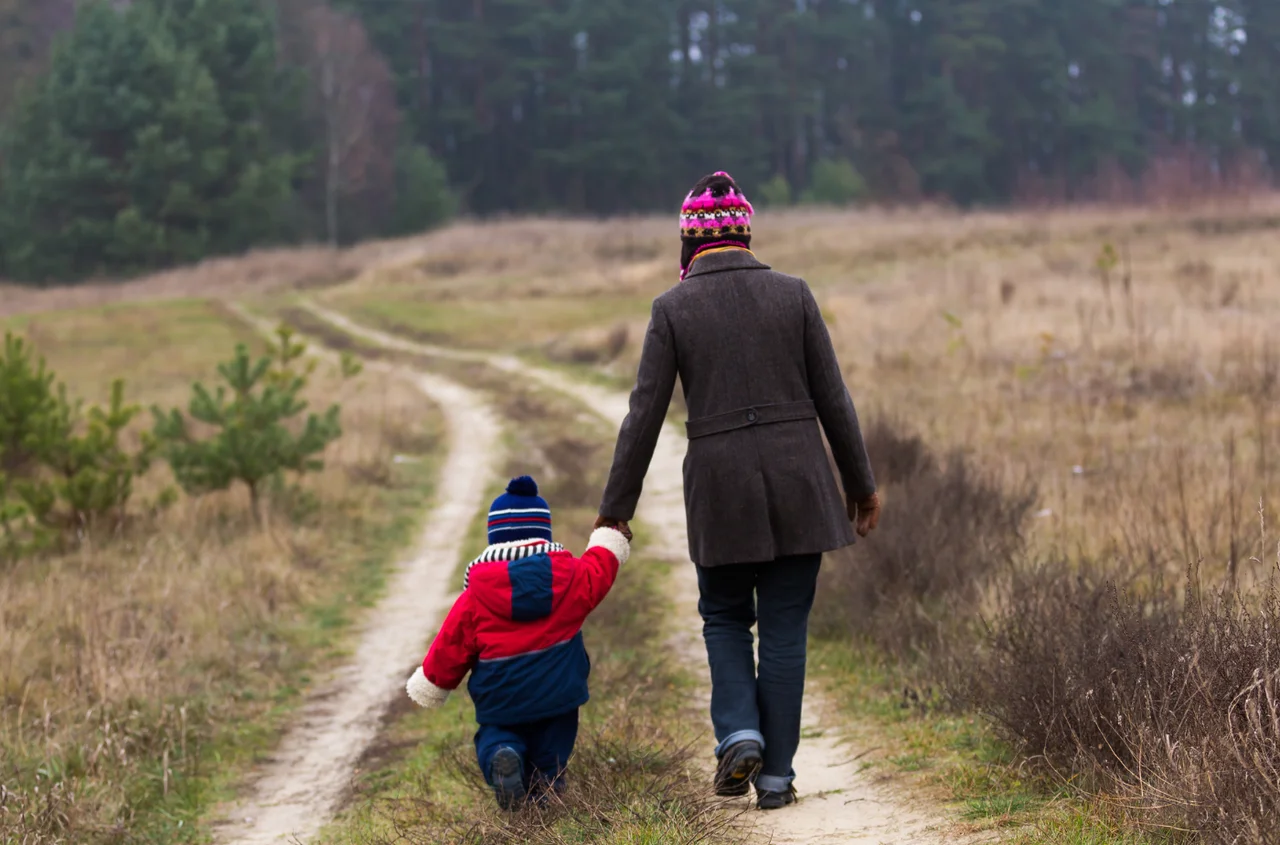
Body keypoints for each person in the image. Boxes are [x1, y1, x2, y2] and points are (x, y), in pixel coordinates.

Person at [595, 172, 880, 810]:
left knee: (724, 617)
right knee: (784, 630)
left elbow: (643, 415)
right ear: (746, 231)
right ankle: (776, 778)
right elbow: (835, 400)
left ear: (689, 243)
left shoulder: (673, 309)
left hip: (720, 491)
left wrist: (615, 511)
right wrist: (860, 487)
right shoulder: (793, 294)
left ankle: (739, 733)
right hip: (800, 483)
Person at [406, 476, 631, 809]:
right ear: (545, 534)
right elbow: (600, 568)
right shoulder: (571, 578)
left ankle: (502, 755)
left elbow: (451, 644)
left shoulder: (475, 597)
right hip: (559, 695)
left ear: (494, 539)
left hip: (502, 698)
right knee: (551, 752)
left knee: (495, 735)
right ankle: (547, 792)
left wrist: (434, 681)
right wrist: (610, 536)